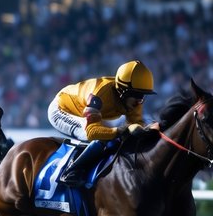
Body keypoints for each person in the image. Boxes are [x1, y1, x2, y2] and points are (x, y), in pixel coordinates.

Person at [49, 59, 155, 187]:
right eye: (137, 95)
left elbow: (136, 125)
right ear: (123, 91)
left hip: (84, 111)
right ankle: (71, 171)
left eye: (142, 96)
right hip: (62, 109)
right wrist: (120, 131)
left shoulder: (133, 100)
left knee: (113, 136)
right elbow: (92, 132)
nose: (139, 101)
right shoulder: (100, 95)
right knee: (101, 137)